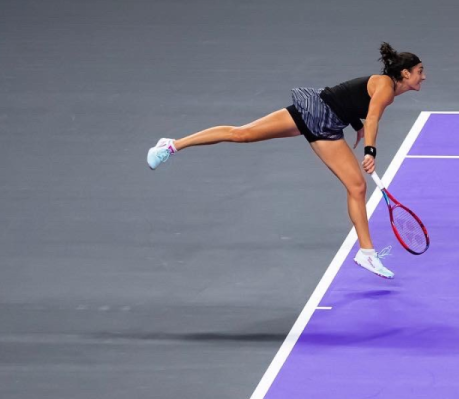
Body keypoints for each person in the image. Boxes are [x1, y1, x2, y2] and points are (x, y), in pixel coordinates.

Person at [146, 43, 425, 279]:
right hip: (315, 112)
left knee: (357, 187)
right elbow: (372, 115)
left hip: (325, 125)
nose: (423, 77)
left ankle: (366, 253)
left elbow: (352, 98)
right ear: (405, 73)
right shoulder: (386, 88)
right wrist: (370, 151)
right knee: (241, 134)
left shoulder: (384, 86)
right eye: (419, 72)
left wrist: (355, 124)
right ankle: (172, 145)